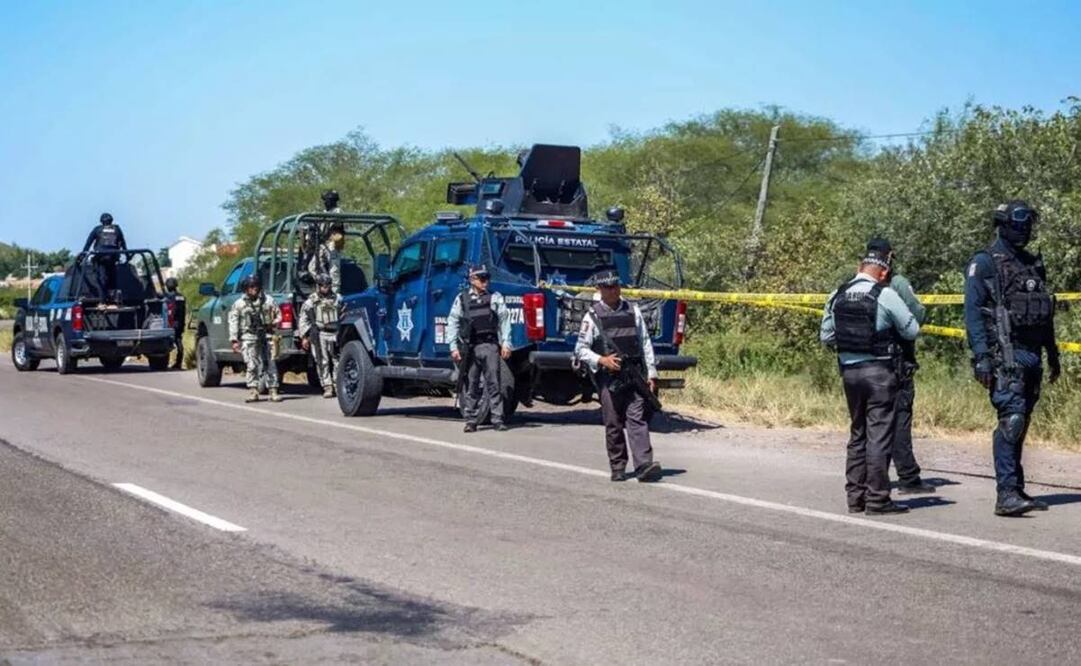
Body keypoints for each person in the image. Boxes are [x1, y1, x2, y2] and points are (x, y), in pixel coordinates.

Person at [964, 200, 1059, 517]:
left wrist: (1053, 353)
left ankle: (1015, 487)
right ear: (1003, 224)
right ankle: (1005, 495)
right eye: (1020, 222)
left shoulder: (1031, 263)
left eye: (1029, 222)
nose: (1026, 228)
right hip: (1005, 355)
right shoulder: (985, 262)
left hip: (1032, 355)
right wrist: (981, 358)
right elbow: (974, 315)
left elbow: (1044, 314)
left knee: (1023, 421)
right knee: (1011, 420)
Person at [820, 244, 919, 515]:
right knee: (879, 435)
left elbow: (826, 336)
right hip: (880, 373)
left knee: (857, 434)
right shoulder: (885, 294)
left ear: (859, 268)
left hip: (849, 374)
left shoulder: (837, 294)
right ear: (884, 272)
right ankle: (877, 500)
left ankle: (855, 499)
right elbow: (912, 330)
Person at [574, 269, 663, 483]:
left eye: (615, 286)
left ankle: (643, 464)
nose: (613, 290)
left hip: (634, 374)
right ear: (600, 290)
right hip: (609, 377)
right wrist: (601, 360)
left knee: (637, 418)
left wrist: (652, 373)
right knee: (613, 422)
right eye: (608, 287)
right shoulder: (592, 316)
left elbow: (645, 343)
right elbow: (580, 349)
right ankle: (618, 466)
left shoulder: (633, 311)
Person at [865, 238, 935, 495]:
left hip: (865, 365)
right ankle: (908, 477)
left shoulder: (858, 284)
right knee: (899, 419)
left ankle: (867, 477)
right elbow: (918, 316)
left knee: (869, 422)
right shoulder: (898, 283)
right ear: (890, 256)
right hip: (898, 363)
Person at [446, 264, 512, 432]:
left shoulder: (495, 297)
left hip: (490, 345)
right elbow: (452, 322)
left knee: (494, 384)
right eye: (481, 278)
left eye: (487, 278)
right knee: (472, 385)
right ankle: (470, 420)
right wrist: (453, 346)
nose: (485, 282)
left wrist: (506, 343)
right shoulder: (462, 299)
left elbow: (505, 320)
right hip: (471, 348)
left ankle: (497, 419)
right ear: (472, 280)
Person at [228, 275, 282, 403]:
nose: (254, 289)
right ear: (246, 288)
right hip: (249, 336)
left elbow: (279, 315)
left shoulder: (268, 300)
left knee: (270, 363)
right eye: (251, 287)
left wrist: (272, 323)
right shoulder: (239, 304)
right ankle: (253, 391)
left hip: (267, 335)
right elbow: (233, 321)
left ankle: (273, 390)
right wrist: (234, 340)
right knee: (251, 365)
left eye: (256, 286)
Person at [298, 273, 341, 398]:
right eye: (322, 285)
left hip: (335, 333)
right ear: (318, 286)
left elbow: (345, 311)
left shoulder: (338, 298)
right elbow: (303, 319)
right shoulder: (312, 301)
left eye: (327, 285)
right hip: (320, 333)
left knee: (338, 361)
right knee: (322, 361)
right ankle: (327, 386)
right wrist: (304, 337)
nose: (325, 288)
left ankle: (338, 385)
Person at [81, 212, 128, 293]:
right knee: (113, 276)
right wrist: (127, 255)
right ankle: (114, 295)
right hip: (113, 257)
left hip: (101, 257)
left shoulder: (97, 229)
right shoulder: (117, 229)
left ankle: (103, 300)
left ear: (101, 221)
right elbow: (123, 242)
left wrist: (82, 256)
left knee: (101, 278)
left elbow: (88, 243)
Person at [308, 221, 344, 294]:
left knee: (334, 271)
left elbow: (338, 223)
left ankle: (334, 294)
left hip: (333, 244)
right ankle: (323, 284)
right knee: (312, 267)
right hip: (323, 243)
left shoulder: (337, 211)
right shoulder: (323, 214)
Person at [163, 277, 186, 370]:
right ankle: (178, 362)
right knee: (179, 342)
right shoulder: (181, 297)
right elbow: (184, 311)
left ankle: (167, 362)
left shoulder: (167, 297)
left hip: (170, 323)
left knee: (167, 342)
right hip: (180, 323)